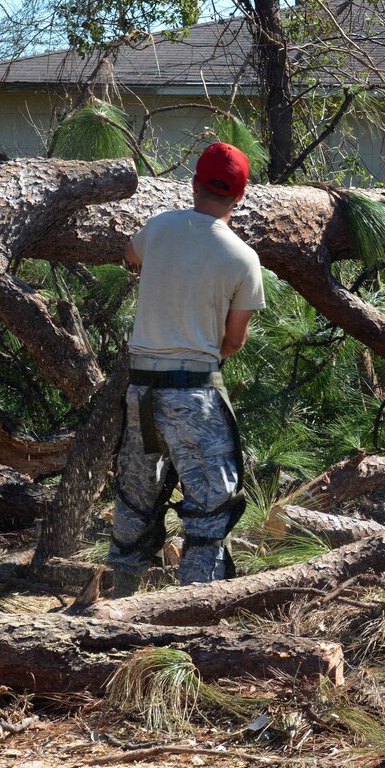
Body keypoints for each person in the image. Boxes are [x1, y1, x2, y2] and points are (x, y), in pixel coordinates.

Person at [108, 142, 265, 596]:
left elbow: (130, 256)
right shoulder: (243, 258)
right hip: (193, 389)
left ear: (194, 185)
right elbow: (233, 342)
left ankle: (120, 594)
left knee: (136, 490)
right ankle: (196, 603)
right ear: (239, 197)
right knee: (212, 501)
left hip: (142, 388)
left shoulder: (159, 227)